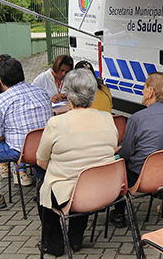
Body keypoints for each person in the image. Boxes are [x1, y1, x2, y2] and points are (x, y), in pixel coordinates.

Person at [36, 68, 118, 256]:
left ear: (68, 94)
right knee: (83, 179)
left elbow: (41, 162)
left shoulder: (56, 124)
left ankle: (54, 245)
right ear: (92, 93)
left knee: (44, 190)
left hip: (71, 193)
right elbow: (112, 148)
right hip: (103, 190)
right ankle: (75, 240)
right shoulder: (107, 118)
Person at [0, 57, 52, 213]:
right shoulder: (42, 92)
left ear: (0, 80)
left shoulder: (1, 100)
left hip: (19, 151)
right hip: (45, 148)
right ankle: (45, 188)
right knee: (35, 151)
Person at [111, 72, 163, 227]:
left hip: (143, 178)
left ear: (151, 92)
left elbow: (127, 153)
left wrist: (117, 151)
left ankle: (118, 214)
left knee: (119, 165)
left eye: (144, 87)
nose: (142, 91)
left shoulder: (137, 118)